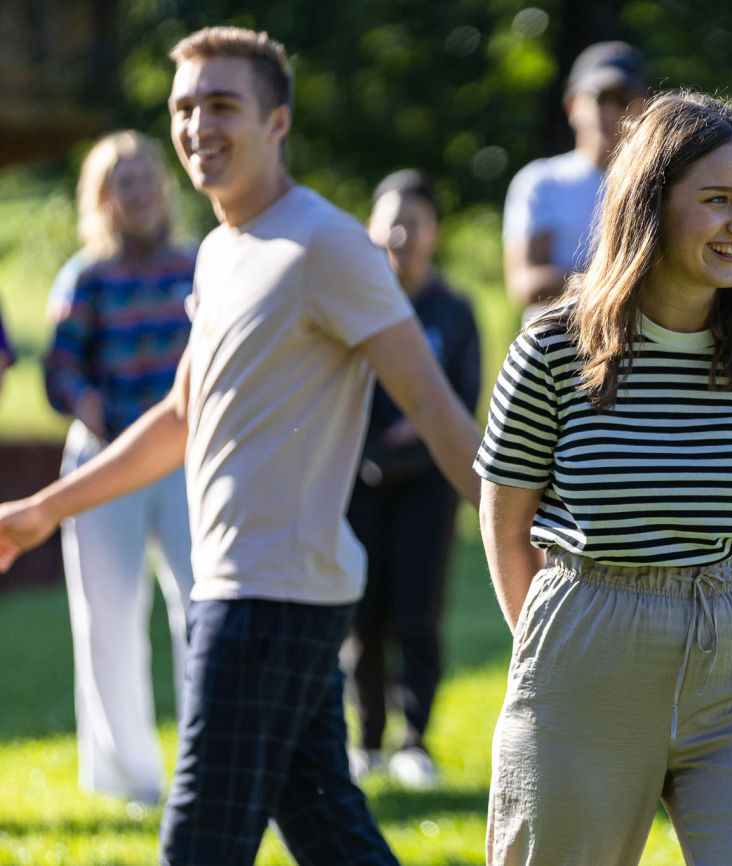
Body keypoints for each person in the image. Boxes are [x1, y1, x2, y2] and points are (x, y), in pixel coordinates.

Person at [0, 26, 481, 865]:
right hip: (252, 589)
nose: (197, 126)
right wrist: (43, 510)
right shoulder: (223, 250)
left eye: (223, 104)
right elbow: (181, 418)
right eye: (184, 106)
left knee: (199, 846)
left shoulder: (327, 245)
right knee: (330, 834)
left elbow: (437, 411)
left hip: (270, 595)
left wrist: (534, 547)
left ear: (278, 121)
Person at [477, 91, 732, 865]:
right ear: (650, 205)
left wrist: (716, 593)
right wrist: (552, 647)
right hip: (586, 652)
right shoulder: (552, 349)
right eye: (717, 201)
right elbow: (505, 519)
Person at [41, 130, 196, 805]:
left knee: (203, 612)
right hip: (103, 465)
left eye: (146, 177)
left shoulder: (200, 266)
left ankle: (208, 766)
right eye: (122, 182)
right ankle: (127, 780)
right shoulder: (85, 276)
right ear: (103, 198)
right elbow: (58, 372)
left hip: (188, 458)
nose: (139, 192)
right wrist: (86, 402)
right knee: (107, 621)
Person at [345, 169, 480, 790]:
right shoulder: (350, 301)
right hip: (357, 480)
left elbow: (465, 396)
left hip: (428, 484)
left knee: (416, 613)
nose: (399, 232)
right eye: (389, 218)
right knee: (361, 614)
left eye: (413, 220)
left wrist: (422, 426)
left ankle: (415, 740)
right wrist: (377, 435)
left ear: (434, 232)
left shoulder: (453, 311)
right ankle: (366, 741)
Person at [501, 40, 647, 323]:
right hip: (555, 348)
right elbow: (525, 285)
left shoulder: (656, 183)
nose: (614, 111)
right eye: (602, 97)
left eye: (625, 98)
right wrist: (622, 275)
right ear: (572, 105)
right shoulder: (541, 181)